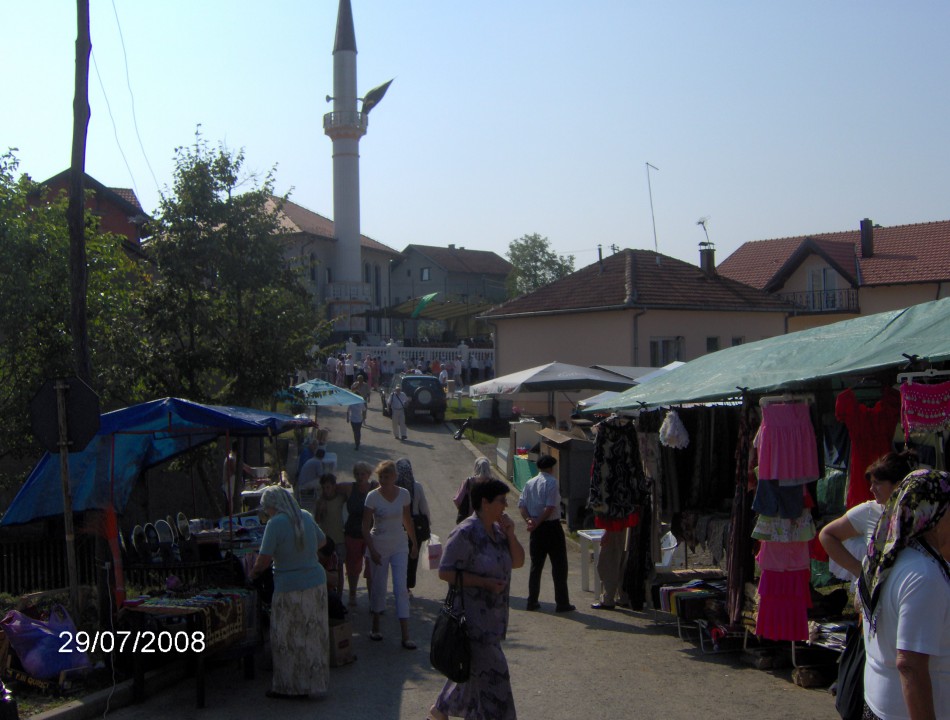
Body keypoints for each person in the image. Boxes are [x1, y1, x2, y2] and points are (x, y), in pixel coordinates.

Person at [428, 478, 525, 720]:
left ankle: (438, 712)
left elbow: (518, 561)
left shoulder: (499, 530)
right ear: (485, 502)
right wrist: (484, 582)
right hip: (472, 622)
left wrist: (511, 534)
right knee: (496, 679)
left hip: (494, 620)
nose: (505, 506)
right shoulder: (465, 532)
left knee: (473, 676)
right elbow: (445, 572)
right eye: (501, 501)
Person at [857, 468, 949, 720]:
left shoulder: (883, 558)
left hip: (878, 704)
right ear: (933, 513)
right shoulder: (923, 575)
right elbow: (909, 665)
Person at [248, 486, 329, 700]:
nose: (267, 514)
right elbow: (322, 541)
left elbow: (263, 560)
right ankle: (313, 683)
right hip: (315, 584)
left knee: (286, 637)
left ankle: (289, 686)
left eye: (267, 510)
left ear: (272, 506)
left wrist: (253, 574)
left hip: (289, 587)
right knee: (312, 635)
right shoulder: (305, 516)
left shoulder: (275, 524)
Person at [819, 452, 913, 581]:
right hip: (876, 593)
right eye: (871, 483)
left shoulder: (923, 512)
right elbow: (827, 535)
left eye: (878, 483)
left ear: (897, 485)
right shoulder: (868, 511)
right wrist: (859, 570)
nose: (871, 489)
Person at [362, 460, 418, 648]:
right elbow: (365, 526)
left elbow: (407, 519)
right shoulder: (372, 497)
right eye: (381, 477)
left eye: (387, 476)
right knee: (378, 586)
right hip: (378, 545)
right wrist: (372, 550)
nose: (384, 480)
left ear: (395, 477)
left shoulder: (404, 494)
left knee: (400, 587)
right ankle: (376, 627)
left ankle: (406, 635)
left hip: (399, 545)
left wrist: (414, 543)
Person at [518, 454, 574, 612]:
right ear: (551, 468)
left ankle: (532, 600)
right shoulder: (552, 482)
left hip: (536, 529)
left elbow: (521, 505)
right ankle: (562, 602)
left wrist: (529, 520)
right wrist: (537, 522)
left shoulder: (529, 483)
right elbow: (550, 508)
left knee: (536, 566)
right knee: (559, 565)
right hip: (551, 527)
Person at [341, 461, 377, 607]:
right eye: (357, 474)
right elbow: (329, 488)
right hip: (353, 533)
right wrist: (323, 502)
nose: (360, 476)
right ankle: (352, 594)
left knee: (371, 568)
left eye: (363, 474)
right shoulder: (350, 488)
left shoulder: (375, 488)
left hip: (371, 534)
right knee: (352, 567)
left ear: (369, 474)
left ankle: (372, 599)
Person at [395, 457, 432, 593]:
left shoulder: (394, 488)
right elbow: (424, 507)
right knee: (412, 557)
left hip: (398, 525)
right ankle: (407, 586)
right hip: (415, 526)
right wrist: (428, 522)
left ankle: (399, 583)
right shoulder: (417, 486)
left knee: (399, 557)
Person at [315, 473, 346, 589]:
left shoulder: (341, 498)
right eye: (323, 488)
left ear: (334, 486)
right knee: (325, 566)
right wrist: (320, 510)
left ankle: (340, 594)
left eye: (328, 487)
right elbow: (316, 521)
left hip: (339, 539)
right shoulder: (320, 501)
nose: (325, 490)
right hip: (325, 541)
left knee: (340, 568)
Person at [454, 456, 494, 524]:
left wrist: (463, 509)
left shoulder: (469, 481)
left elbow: (457, 500)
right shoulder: (494, 483)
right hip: (488, 520)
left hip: (470, 520)